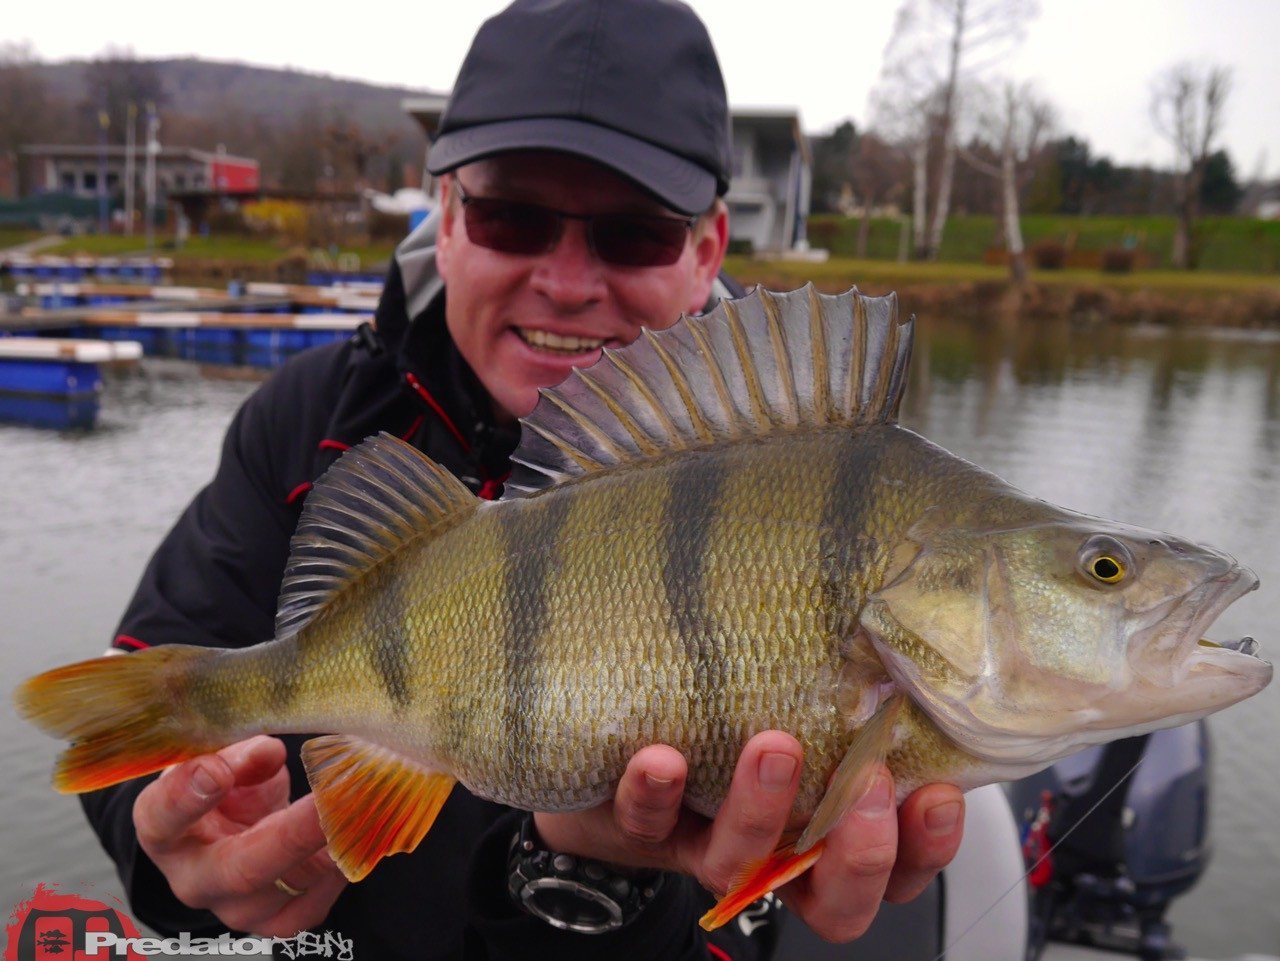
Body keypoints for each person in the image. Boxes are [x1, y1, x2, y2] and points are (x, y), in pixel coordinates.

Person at [81, 1, 966, 957]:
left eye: (634, 233)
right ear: (449, 220)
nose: (570, 280)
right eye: (515, 217)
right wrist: (176, 844)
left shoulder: (811, 478)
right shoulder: (307, 428)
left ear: (707, 248)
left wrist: (602, 866)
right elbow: (134, 707)